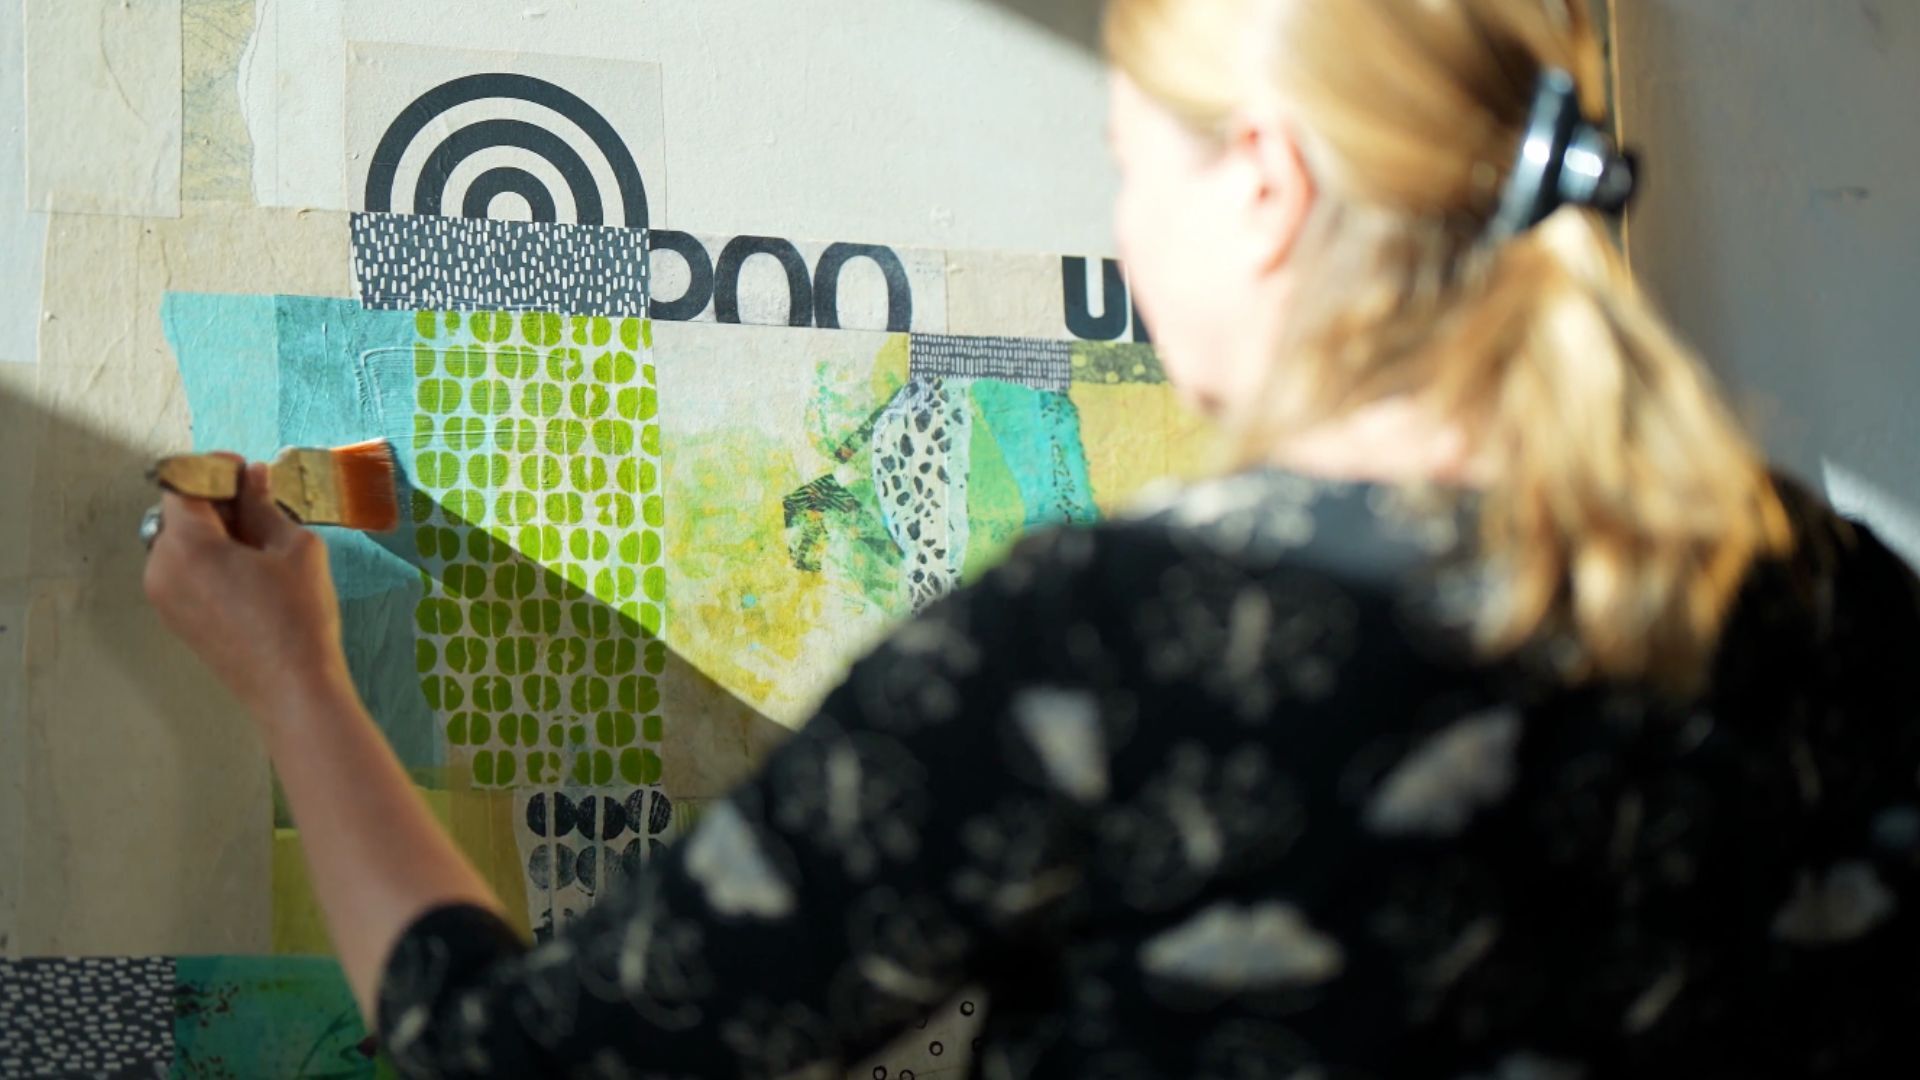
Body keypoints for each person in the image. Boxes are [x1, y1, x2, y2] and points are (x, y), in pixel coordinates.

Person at [144, 0, 1920, 1076]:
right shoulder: (1844, 602)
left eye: (1133, 173)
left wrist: (298, 679)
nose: (1125, 246)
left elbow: (524, 1060)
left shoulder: (1121, 643)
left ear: (1270, 185)